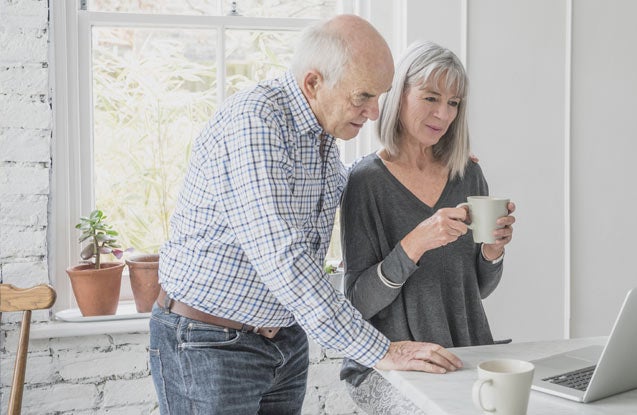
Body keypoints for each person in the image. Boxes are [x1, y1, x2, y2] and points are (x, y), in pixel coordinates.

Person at [149, 16, 462, 414]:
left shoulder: (322, 136)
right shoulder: (255, 122)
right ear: (313, 83)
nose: (373, 112)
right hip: (210, 343)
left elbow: (348, 188)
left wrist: (428, 163)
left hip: (283, 341)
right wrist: (381, 351)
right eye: (362, 96)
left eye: (379, 96)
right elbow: (285, 257)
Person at [339, 40, 517, 414]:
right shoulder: (366, 182)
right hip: (390, 366)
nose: (443, 113)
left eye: (454, 103)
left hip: (464, 354)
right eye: (431, 97)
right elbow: (357, 303)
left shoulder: (468, 174)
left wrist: (492, 252)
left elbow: (476, 291)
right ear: (398, 94)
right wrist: (415, 243)